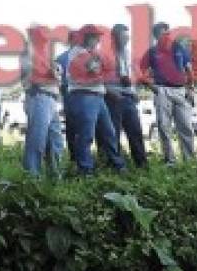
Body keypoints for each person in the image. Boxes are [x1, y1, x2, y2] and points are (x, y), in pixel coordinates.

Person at [66, 24, 126, 175]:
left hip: (98, 96)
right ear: (87, 37)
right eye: (95, 37)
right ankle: (85, 169)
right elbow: (96, 70)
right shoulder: (77, 52)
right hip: (84, 96)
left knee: (109, 133)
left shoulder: (91, 52)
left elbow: (102, 71)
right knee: (86, 135)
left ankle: (116, 164)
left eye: (98, 37)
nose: (98, 40)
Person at [142, 22, 196, 164]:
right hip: (162, 90)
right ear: (156, 36)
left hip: (180, 90)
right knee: (163, 126)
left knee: (186, 126)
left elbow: (189, 69)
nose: (165, 35)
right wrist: (151, 86)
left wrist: (191, 89)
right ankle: (170, 160)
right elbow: (140, 70)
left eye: (166, 32)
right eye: (161, 33)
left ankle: (189, 161)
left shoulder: (179, 48)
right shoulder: (152, 52)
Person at [105, 23, 148, 168]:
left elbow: (133, 75)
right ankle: (116, 166)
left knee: (135, 132)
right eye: (123, 36)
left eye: (127, 36)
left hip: (129, 98)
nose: (126, 39)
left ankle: (142, 165)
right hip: (112, 99)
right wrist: (109, 91)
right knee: (113, 133)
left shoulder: (129, 54)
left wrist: (135, 92)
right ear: (114, 37)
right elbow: (97, 79)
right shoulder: (104, 55)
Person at [21, 36, 65, 177]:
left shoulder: (47, 57)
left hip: (51, 99)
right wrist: (50, 70)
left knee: (56, 140)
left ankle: (55, 176)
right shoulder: (29, 53)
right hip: (38, 96)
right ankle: (32, 177)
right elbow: (29, 71)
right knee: (37, 139)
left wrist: (54, 70)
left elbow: (58, 76)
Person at [54, 29, 81, 161]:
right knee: (74, 128)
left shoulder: (85, 55)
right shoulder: (61, 58)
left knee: (76, 129)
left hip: (76, 96)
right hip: (71, 96)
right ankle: (76, 159)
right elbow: (56, 81)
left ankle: (76, 159)